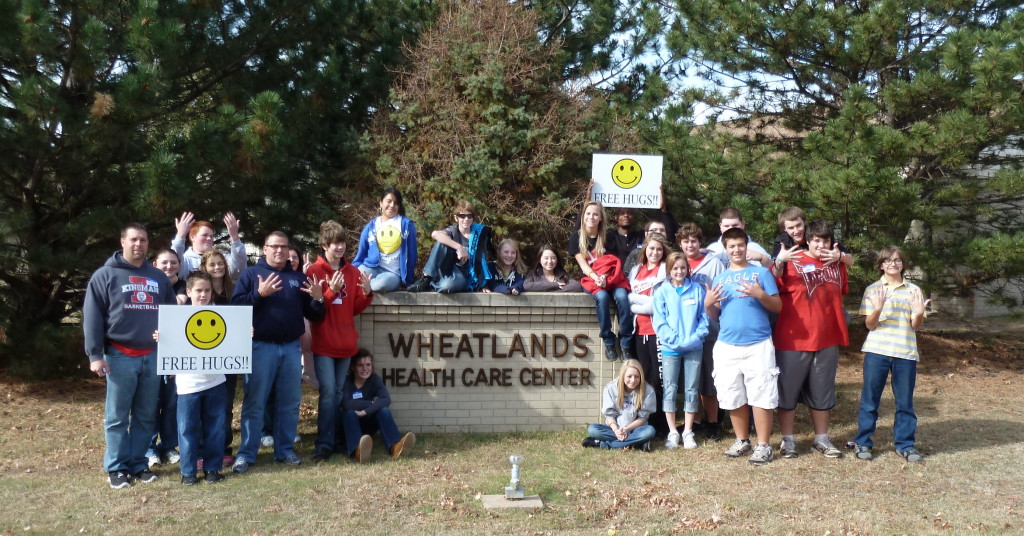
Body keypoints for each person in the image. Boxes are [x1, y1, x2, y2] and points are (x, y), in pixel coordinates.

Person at [83, 223, 177, 488]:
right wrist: (95, 355)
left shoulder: (158, 277)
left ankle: (137, 464)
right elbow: (92, 317)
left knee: (146, 415)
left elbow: (172, 318)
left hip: (153, 355)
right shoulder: (105, 275)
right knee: (117, 417)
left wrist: (172, 356)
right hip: (119, 356)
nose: (139, 245)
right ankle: (116, 467)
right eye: (134, 239)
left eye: (144, 240)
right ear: (122, 241)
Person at [229, 231, 325, 472]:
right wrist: (259, 295)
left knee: (290, 402)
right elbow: (235, 307)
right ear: (264, 249)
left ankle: (284, 451)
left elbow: (313, 315)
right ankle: (247, 454)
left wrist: (318, 299)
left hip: (291, 348)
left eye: (283, 246)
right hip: (261, 347)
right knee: (255, 402)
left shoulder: (297, 278)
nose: (280, 251)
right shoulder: (252, 274)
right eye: (274, 246)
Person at [771, 221, 849, 459]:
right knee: (788, 393)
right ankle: (788, 440)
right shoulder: (793, 260)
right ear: (808, 240)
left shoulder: (836, 263)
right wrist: (779, 262)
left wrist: (844, 257)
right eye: (816, 240)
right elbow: (773, 280)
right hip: (793, 339)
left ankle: (821, 439)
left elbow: (842, 291)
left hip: (827, 337)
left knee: (823, 391)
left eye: (825, 240)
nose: (821, 245)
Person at [704, 227, 781, 465]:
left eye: (740, 245)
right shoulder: (720, 278)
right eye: (731, 246)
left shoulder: (761, 274)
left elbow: (777, 306)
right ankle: (742, 440)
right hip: (727, 345)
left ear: (747, 247)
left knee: (761, 394)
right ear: (725, 250)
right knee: (732, 393)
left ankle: (764, 445)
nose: (736, 250)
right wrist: (708, 304)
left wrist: (760, 295)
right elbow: (716, 315)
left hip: (758, 344)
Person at [852, 246, 930, 463]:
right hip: (877, 351)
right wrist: (876, 309)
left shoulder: (914, 290)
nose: (893, 264)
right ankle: (863, 442)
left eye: (897, 260)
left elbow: (916, 326)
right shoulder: (873, 289)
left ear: (902, 264)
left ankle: (905, 445)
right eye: (888, 261)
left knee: (905, 402)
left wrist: (920, 313)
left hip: (905, 352)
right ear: (881, 265)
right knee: (870, 400)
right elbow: (870, 325)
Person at [306, 221, 375, 462]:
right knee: (328, 393)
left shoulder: (353, 272)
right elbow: (314, 310)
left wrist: (366, 295)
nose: (339, 247)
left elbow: (353, 309)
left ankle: (337, 439)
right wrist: (330, 291)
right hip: (325, 345)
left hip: (346, 345)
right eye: (334, 243)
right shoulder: (313, 272)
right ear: (324, 245)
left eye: (342, 243)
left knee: (337, 393)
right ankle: (324, 443)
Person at [154, 272, 228, 485]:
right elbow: (169, 346)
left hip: (216, 381)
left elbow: (231, 341)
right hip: (188, 384)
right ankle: (188, 472)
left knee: (215, 427)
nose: (203, 295)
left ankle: (212, 469)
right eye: (198, 290)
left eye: (206, 290)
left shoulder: (223, 317)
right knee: (187, 429)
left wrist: (242, 333)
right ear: (188, 292)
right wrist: (162, 338)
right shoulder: (176, 319)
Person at [653, 252, 709, 450]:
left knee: (692, 389)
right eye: (675, 268)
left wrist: (694, 339)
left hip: (694, 347)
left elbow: (704, 318)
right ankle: (672, 432)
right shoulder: (661, 292)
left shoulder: (697, 290)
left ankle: (687, 431)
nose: (679, 271)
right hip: (670, 348)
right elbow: (659, 321)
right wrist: (674, 341)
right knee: (670, 388)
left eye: (682, 268)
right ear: (669, 270)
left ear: (688, 269)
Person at [677, 223, 727, 441]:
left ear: (700, 242)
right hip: (686, 331)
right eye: (686, 241)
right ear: (680, 243)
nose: (690, 244)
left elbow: (724, 293)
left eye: (694, 240)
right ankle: (695, 421)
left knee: (709, 380)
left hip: (710, 330)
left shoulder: (714, 263)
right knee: (692, 380)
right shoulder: (677, 264)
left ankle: (714, 422)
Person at [570, 200, 633, 361]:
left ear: (600, 218)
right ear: (583, 217)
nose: (591, 217)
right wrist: (597, 278)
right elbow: (584, 266)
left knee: (622, 297)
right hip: (591, 278)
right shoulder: (576, 238)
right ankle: (608, 339)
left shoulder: (609, 235)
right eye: (588, 213)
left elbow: (611, 261)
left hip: (611, 276)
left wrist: (605, 277)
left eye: (595, 214)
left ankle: (625, 341)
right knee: (602, 297)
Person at [626, 232, 672, 436]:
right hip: (639, 332)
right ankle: (645, 422)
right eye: (652, 248)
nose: (655, 252)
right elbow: (628, 298)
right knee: (643, 379)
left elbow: (661, 305)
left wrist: (639, 304)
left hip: (658, 333)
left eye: (659, 249)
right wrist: (641, 304)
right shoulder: (636, 270)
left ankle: (662, 426)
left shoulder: (665, 271)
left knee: (659, 380)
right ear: (645, 249)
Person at [146, 249, 186, 469]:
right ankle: (149, 448)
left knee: (171, 403)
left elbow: (179, 306)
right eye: (164, 263)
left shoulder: (183, 286)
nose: (169, 266)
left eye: (173, 262)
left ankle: (169, 445)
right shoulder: (147, 286)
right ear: (155, 264)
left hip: (175, 352)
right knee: (150, 403)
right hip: (150, 351)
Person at [340, 350, 416, 463]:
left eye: (368, 365)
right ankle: (358, 452)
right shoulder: (346, 381)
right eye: (360, 365)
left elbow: (386, 399)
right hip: (350, 425)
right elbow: (347, 403)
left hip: (368, 422)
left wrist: (365, 411)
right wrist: (370, 404)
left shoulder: (374, 379)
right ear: (352, 367)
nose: (365, 368)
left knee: (384, 411)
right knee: (349, 413)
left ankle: (395, 447)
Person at [408, 200, 493, 293]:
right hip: (448, 268)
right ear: (456, 218)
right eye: (462, 216)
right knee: (441, 242)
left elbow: (482, 261)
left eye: (469, 216)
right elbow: (435, 234)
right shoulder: (452, 231)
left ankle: (432, 284)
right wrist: (459, 248)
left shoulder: (478, 234)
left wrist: (484, 284)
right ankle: (426, 278)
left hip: (465, 274)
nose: (466, 219)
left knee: (446, 286)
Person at [581, 359, 656, 450]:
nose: (633, 380)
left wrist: (626, 430)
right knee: (593, 429)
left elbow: (643, 418)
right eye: (629, 376)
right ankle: (637, 444)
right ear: (623, 376)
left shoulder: (648, 390)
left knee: (649, 431)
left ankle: (603, 445)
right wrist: (617, 430)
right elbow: (609, 416)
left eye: (637, 376)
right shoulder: (611, 388)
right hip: (614, 430)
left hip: (636, 430)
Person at [352, 188, 418, 292]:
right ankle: (365, 285)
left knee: (380, 285)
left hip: (392, 274)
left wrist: (408, 280)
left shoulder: (406, 225)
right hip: (371, 268)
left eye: (396, 203)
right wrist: (352, 271)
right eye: (389, 201)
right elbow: (361, 253)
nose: (392, 205)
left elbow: (412, 255)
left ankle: (367, 286)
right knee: (354, 276)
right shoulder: (371, 226)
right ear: (381, 203)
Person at [171, 212, 247, 279]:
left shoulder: (222, 258)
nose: (209, 238)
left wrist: (235, 237)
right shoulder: (186, 261)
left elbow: (238, 271)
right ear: (192, 237)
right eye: (204, 235)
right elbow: (173, 259)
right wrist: (180, 236)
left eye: (211, 236)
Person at [772, 206, 854, 268]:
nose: (796, 231)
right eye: (791, 228)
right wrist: (780, 260)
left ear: (804, 222)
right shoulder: (782, 242)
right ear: (784, 229)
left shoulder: (815, 234)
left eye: (798, 225)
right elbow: (774, 271)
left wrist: (840, 257)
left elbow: (851, 261)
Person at [705, 207, 772, 267]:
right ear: (720, 226)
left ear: (743, 224)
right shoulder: (712, 249)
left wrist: (762, 258)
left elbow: (774, 272)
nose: (731, 229)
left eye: (735, 225)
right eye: (726, 226)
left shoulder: (754, 247)